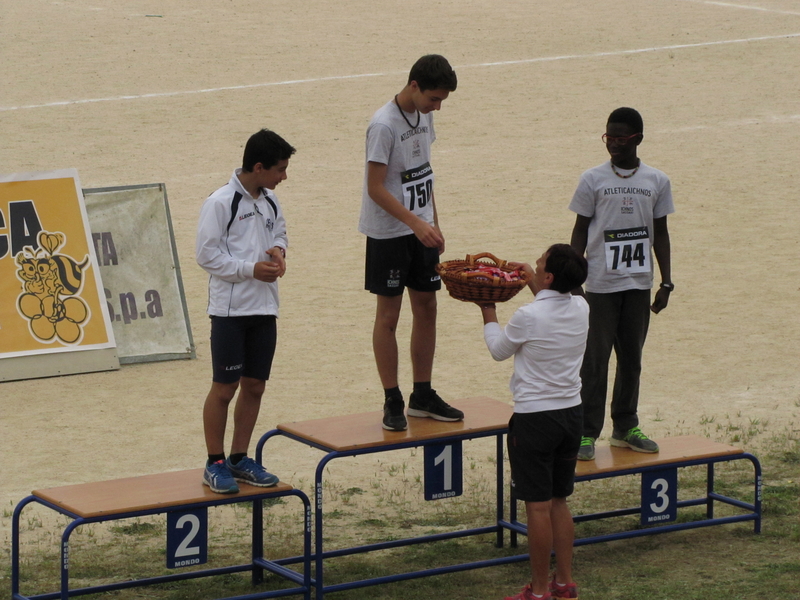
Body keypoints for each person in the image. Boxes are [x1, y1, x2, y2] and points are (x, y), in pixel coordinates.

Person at [478, 244, 589, 600]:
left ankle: (539, 591)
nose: (536, 263)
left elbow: (498, 350)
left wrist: (488, 311)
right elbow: (551, 301)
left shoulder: (528, 316)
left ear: (550, 276)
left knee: (537, 507)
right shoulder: (583, 307)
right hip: (572, 414)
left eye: (540, 263)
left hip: (536, 419)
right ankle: (564, 582)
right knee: (559, 502)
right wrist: (530, 277)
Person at [359, 54, 462, 431]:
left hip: (420, 228)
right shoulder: (383, 125)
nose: (437, 107)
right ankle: (392, 398)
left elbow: (424, 173)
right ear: (414, 86)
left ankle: (422, 393)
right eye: (434, 99)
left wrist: (434, 223)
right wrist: (416, 223)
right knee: (388, 317)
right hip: (389, 233)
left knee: (428, 307)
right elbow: (374, 188)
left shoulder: (425, 116)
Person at [569, 107, 675, 461]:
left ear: (638, 139)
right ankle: (586, 432)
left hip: (638, 284)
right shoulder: (592, 179)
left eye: (621, 138)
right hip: (599, 286)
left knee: (632, 358)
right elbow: (580, 229)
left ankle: (625, 426)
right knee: (594, 361)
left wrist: (667, 282)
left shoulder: (656, 181)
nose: (613, 144)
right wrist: (573, 277)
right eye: (608, 137)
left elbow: (661, 233)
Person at [195, 128, 295, 493]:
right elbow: (206, 256)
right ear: (258, 166)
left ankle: (239, 459)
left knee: (255, 386)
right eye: (280, 169)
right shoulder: (221, 202)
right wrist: (250, 269)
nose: (284, 176)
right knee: (224, 388)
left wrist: (279, 252)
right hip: (230, 313)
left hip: (265, 309)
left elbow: (280, 232)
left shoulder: (269, 200)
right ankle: (214, 462)